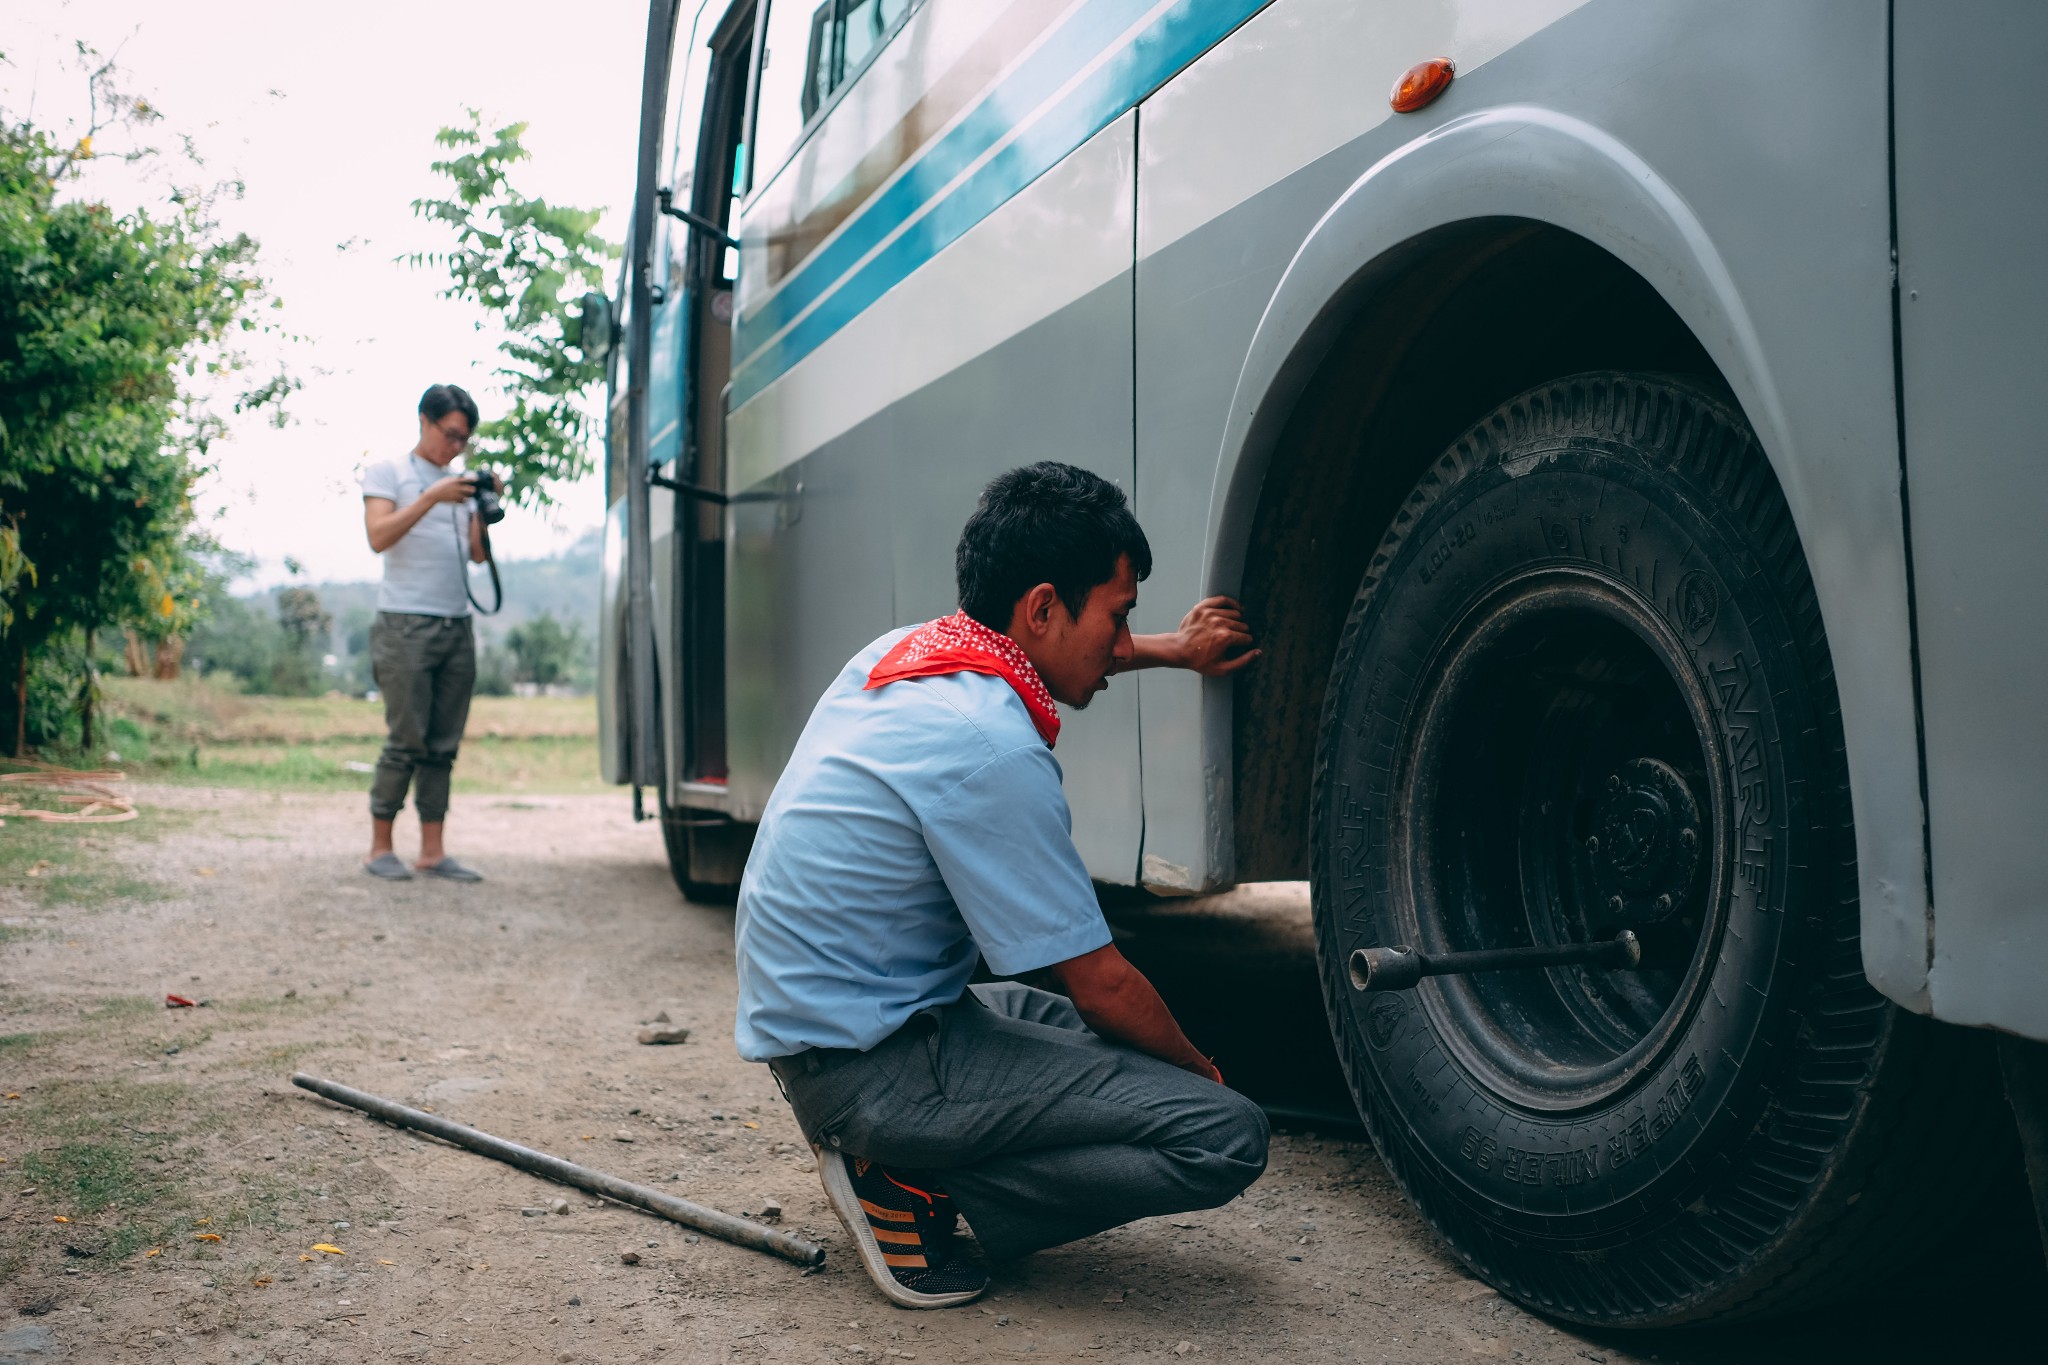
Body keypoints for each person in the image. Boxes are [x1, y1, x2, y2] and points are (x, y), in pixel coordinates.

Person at [734, 461, 1269, 1309]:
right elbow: (1101, 985)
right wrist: (1202, 1075)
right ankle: (913, 1193)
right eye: (1120, 617)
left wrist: (1177, 650)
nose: (1123, 643)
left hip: (841, 1032)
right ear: (1044, 606)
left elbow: (1065, 660)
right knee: (1223, 1131)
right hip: (876, 1066)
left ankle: (900, 1150)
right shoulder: (992, 746)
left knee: (1070, 1033)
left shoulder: (913, 653)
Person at [357, 383, 497, 882]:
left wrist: (479, 505)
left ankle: (433, 852)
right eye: (450, 435)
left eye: (464, 441)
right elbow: (379, 537)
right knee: (406, 740)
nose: (455, 447)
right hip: (404, 623)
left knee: (443, 743)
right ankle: (379, 848)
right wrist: (432, 496)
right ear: (425, 420)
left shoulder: (461, 485)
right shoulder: (389, 472)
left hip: (455, 623)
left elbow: (477, 556)